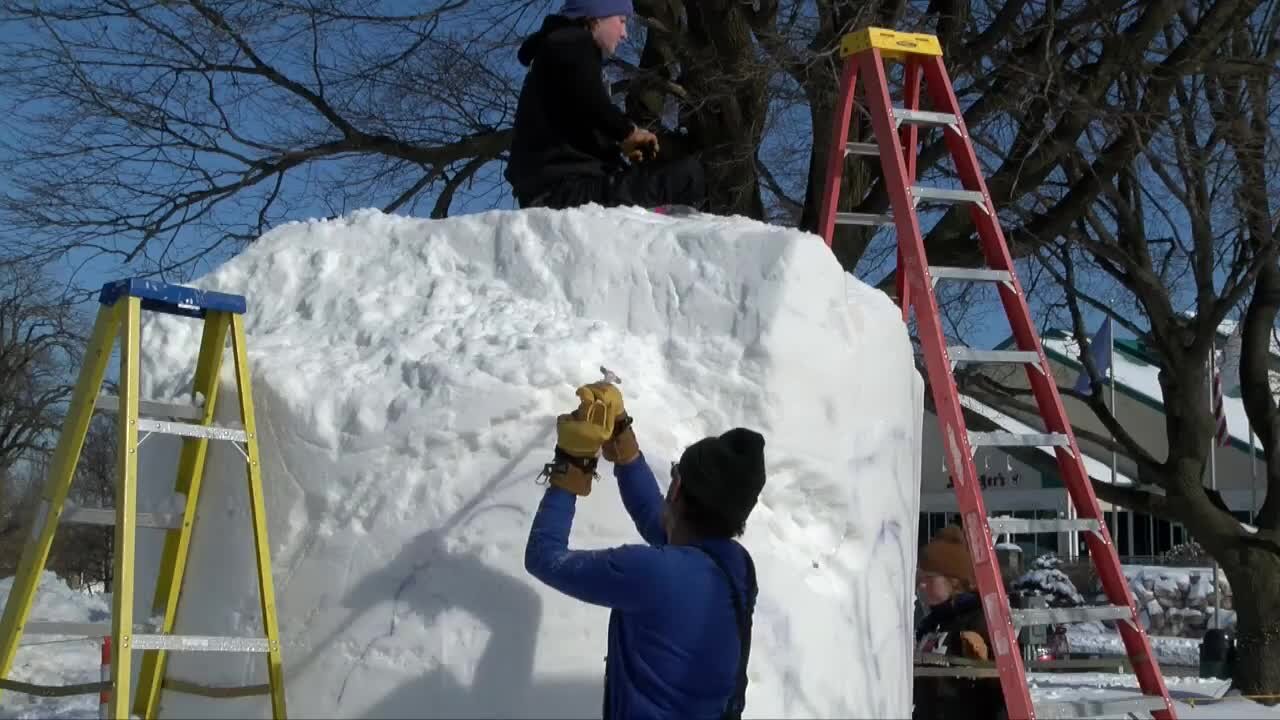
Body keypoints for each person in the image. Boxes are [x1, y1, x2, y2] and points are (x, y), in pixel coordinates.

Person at [524, 381, 763, 720]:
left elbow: (545, 557)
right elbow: (658, 520)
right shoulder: (737, 568)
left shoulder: (651, 573)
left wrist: (572, 465)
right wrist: (622, 439)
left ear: (677, 487)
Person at [504, 0, 707, 211]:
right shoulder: (572, 41)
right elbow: (593, 103)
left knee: (659, 175)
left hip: (562, 186)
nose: (624, 33)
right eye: (621, 21)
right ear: (596, 18)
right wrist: (628, 133)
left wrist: (620, 146)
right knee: (688, 175)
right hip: (564, 191)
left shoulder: (559, 52)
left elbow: (586, 110)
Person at [913, 526, 1007, 720]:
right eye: (919, 578)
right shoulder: (929, 624)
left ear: (954, 580)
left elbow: (1006, 690)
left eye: (929, 578)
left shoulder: (982, 620)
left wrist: (985, 663)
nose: (921, 585)